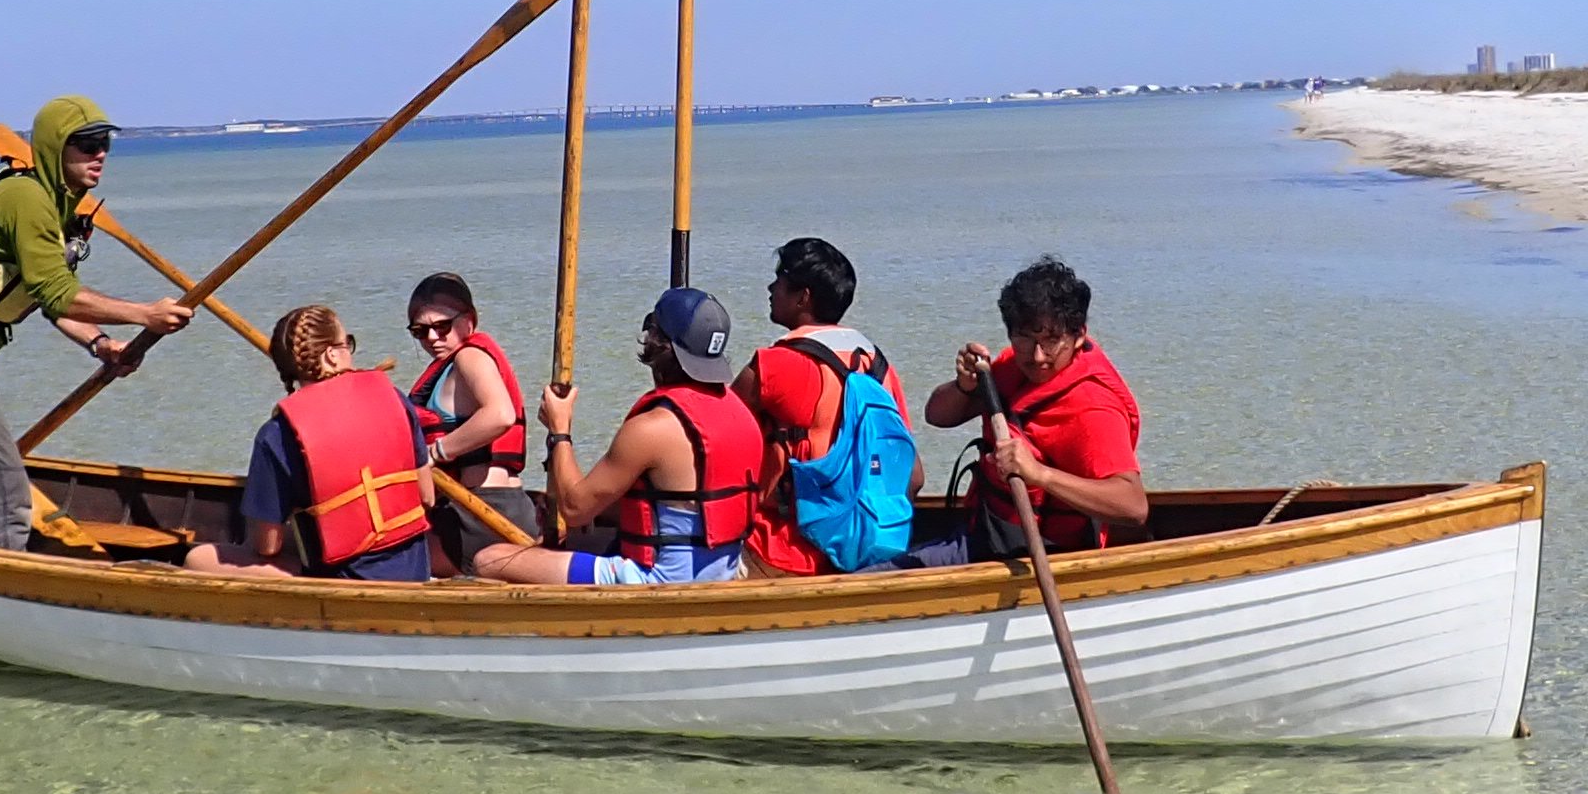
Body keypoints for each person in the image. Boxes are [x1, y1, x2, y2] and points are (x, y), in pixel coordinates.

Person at [0, 96, 195, 548]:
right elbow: (58, 293)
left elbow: (51, 300)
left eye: (105, 142)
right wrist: (144, 314)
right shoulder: (26, 200)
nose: (100, 154)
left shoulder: (57, 203)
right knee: (3, 487)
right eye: (86, 144)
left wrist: (100, 344)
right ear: (54, 149)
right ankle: (2, 589)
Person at [477, 286, 770, 586]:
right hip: (723, 569)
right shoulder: (740, 414)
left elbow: (575, 509)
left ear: (656, 344)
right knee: (579, 541)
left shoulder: (653, 427)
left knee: (490, 559)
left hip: (659, 578)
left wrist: (559, 430)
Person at [909, 254, 1150, 565]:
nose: (1037, 357)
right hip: (984, 533)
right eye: (1024, 338)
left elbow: (1134, 507)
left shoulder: (1093, 409)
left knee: (873, 579)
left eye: (1052, 340)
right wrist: (964, 386)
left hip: (1037, 555)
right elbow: (939, 416)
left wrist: (1040, 475)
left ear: (1078, 336)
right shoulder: (1014, 366)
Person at [186, 305, 442, 580]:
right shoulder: (394, 399)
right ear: (332, 355)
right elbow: (426, 497)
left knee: (196, 558)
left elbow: (267, 545)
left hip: (343, 578)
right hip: (412, 571)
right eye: (348, 344)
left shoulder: (276, 434)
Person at [737, 235, 920, 575]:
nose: (770, 287)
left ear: (802, 297)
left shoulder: (776, 365)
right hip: (865, 549)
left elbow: (712, 432)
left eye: (780, 279)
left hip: (780, 551)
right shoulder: (878, 366)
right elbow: (914, 476)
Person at [403, 272, 538, 563]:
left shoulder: (469, 358)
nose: (432, 338)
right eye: (419, 331)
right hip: (501, 507)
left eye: (442, 326)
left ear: (470, 319)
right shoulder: (453, 364)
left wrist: (434, 453)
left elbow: (500, 415)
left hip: (483, 512)